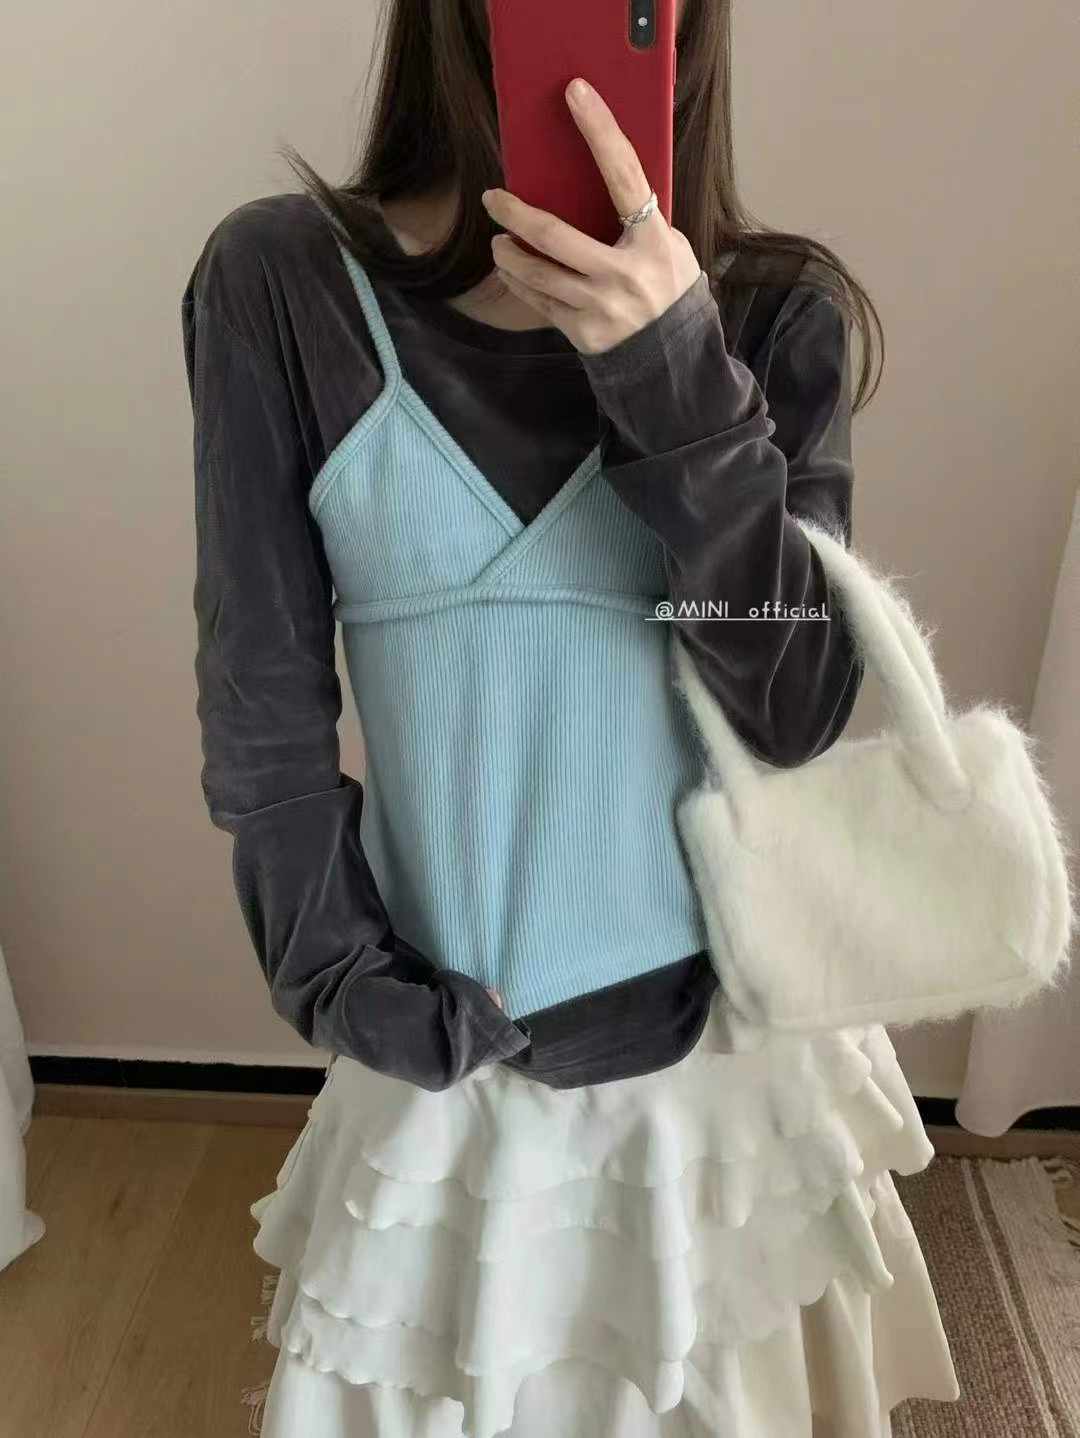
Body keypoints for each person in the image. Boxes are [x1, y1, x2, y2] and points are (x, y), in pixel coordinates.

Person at [182, 1, 961, 1432]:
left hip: (728, 1080)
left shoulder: (774, 316)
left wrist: (674, 375)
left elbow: (792, 713)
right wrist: (335, 973)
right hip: (445, 1059)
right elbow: (263, 695)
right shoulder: (285, 284)